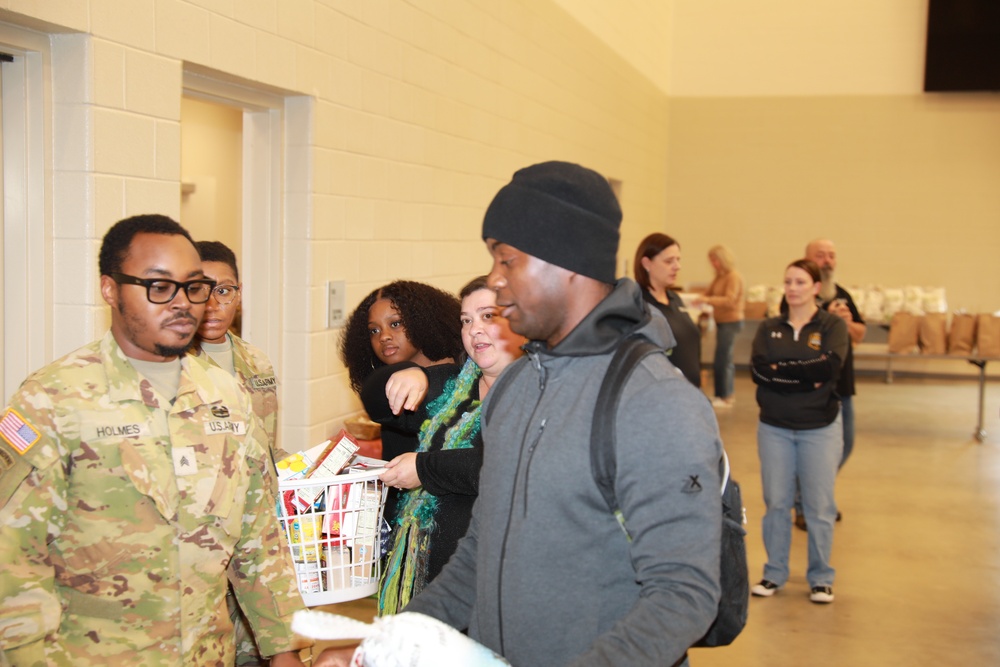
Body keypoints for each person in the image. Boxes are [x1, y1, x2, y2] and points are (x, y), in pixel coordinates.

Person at [403, 161, 723, 667]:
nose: (494, 279)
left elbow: (683, 593)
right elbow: (480, 552)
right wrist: (392, 641)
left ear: (568, 263)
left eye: (507, 260)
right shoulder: (514, 389)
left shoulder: (654, 401)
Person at [0, 215, 310, 665]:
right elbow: (14, 556)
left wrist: (285, 647)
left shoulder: (226, 396)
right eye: (159, 286)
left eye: (194, 287)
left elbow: (258, 537)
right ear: (110, 288)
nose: (182, 303)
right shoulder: (52, 399)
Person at [375, 276, 525, 616]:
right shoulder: (454, 385)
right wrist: (415, 374)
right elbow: (375, 399)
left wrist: (423, 469)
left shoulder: (541, 390)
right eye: (466, 320)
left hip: (497, 584)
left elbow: (505, 466)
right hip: (434, 580)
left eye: (488, 316)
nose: (474, 330)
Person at [191, 240, 290, 667]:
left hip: (256, 540)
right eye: (201, 289)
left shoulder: (256, 362)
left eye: (225, 290)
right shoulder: (175, 366)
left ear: (240, 293)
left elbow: (262, 448)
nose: (214, 303)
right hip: (204, 546)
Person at [749, 258, 849, 604]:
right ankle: (774, 572)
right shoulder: (768, 328)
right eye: (788, 282)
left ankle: (821, 577)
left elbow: (830, 367)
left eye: (800, 282)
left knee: (819, 506)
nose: (792, 288)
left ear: (816, 288)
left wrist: (783, 373)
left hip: (818, 428)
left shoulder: (833, 326)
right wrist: (804, 376)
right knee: (776, 502)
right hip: (774, 428)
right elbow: (760, 373)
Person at [339, 280, 464, 524]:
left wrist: (423, 376)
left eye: (395, 324)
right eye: (374, 330)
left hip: (451, 520)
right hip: (399, 521)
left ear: (422, 322)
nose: (384, 336)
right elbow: (375, 391)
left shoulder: (462, 375)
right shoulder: (388, 384)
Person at [633, 233, 702, 387]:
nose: (677, 266)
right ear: (646, 263)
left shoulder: (675, 299)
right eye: (669, 261)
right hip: (663, 393)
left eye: (678, 260)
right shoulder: (638, 304)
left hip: (691, 392)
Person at [694, 245, 745, 408]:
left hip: (732, 321)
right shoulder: (719, 277)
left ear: (722, 259)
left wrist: (706, 300)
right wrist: (700, 298)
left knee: (723, 359)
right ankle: (720, 394)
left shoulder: (733, 277)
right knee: (720, 359)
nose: (713, 264)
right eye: (711, 261)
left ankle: (727, 396)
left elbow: (729, 300)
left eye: (715, 260)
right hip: (721, 322)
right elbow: (708, 293)